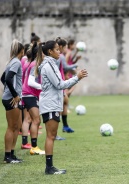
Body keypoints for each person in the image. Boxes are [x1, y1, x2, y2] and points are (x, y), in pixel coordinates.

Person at [35, 40, 88, 174]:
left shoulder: (50, 63)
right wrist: (77, 77)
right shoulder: (49, 65)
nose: (60, 52)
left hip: (51, 104)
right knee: (50, 136)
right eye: (57, 50)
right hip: (50, 104)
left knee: (51, 136)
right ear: (50, 52)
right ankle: (49, 168)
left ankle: (50, 167)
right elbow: (60, 84)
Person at [1, 39, 24, 163]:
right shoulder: (16, 62)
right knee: (11, 127)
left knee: (17, 126)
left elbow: (2, 78)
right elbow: (8, 79)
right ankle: (7, 156)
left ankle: (12, 154)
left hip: (12, 97)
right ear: (22, 51)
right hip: (11, 99)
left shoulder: (11, 61)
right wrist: (14, 94)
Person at [22, 42, 45, 155]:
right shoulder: (35, 64)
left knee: (32, 120)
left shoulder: (35, 63)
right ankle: (34, 147)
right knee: (36, 120)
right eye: (44, 53)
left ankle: (33, 146)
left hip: (29, 95)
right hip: (29, 95)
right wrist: (43, 87)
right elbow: (31, 82)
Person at [56, 37, 78, 134]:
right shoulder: (60, 56)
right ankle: (57, 131)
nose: (66, 49)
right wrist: (75, 66)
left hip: (60, 82)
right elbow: (65, 67)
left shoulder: (58, 56)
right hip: (58, 84)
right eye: (65, 47)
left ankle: (65, 126)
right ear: (61, 47)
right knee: (58, 107)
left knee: (65, 102)